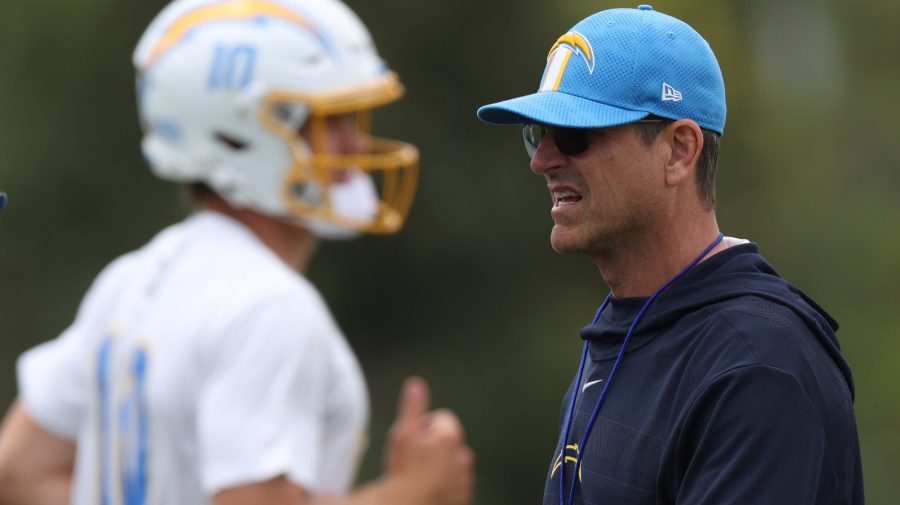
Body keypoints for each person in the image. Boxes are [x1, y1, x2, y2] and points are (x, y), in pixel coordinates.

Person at [0, 0, 474, 504]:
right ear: (239, 134)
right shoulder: (269, 304)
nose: (353, 142)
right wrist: (412, 493)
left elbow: (19, 473)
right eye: (328, 119)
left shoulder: (131, 279)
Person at [477, 5, 862, 505]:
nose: (541, 160)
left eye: (574, 134)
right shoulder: (628, 327)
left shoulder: (758, 364)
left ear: (679, 151)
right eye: (537, 134)